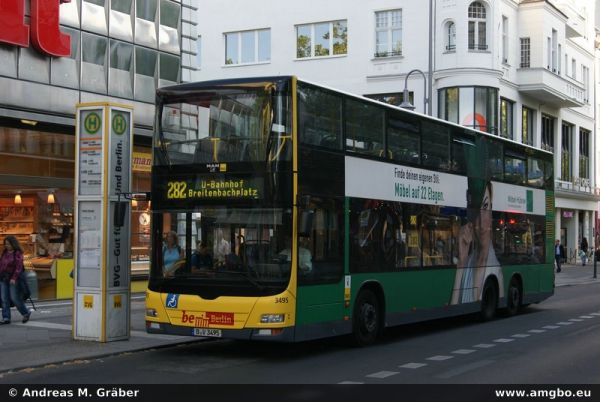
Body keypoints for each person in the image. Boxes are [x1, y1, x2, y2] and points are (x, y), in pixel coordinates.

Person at [451, 181, 503, 304]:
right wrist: (461, 262)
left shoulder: (497, 271)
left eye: (485, 206)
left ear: (492, 207)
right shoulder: (468, 262)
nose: (480, 222)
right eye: (475, 210)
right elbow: (453, 308)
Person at [0, 236, 31, 324]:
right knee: (4, 299)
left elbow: (19, 267)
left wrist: (14, 278)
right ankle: (6, 318)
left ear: (13, 244)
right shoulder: (4, 253)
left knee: (14, 298)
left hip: (13, 279)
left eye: (9, 244)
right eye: (5, 244)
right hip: (3, 278)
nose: (7, 246)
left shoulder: (17, 253)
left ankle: (25, 312)